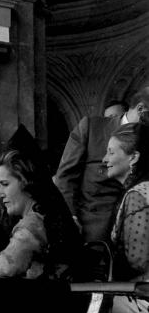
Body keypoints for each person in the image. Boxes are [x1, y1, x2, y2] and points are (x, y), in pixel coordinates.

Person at [55, 87, 149, 242]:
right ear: (141, 109)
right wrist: (70, 219)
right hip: (93, 232)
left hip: (137, 231)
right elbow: (65, 179)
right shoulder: (91, 128)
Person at [0, 144, 80, 279]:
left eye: (5, 184)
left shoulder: (33, 224)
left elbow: (2, 271)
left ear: (26, 182)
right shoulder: (48, 215)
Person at [102, 123, 149, 313]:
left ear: (134, 157)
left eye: (111, 153)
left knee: (87, 308)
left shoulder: (137, 196)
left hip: (145, 300)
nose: (104, 160)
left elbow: (137, 262)